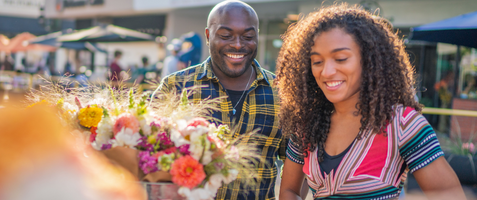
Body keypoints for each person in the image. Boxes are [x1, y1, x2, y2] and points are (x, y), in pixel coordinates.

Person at [277, 4, 464, 200]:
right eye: (317, 61)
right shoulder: (307, 125)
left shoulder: (401, 124)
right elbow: (289, 191)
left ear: (368, 60)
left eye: (340, 59)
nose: (327, 71)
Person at [153, 1, 284, 199]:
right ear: (208, 36)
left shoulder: (282, 92)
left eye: (248, 36)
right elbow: (146, 155)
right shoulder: (175, 87)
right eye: (226, 36)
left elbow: (298, 163)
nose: (238, 45)